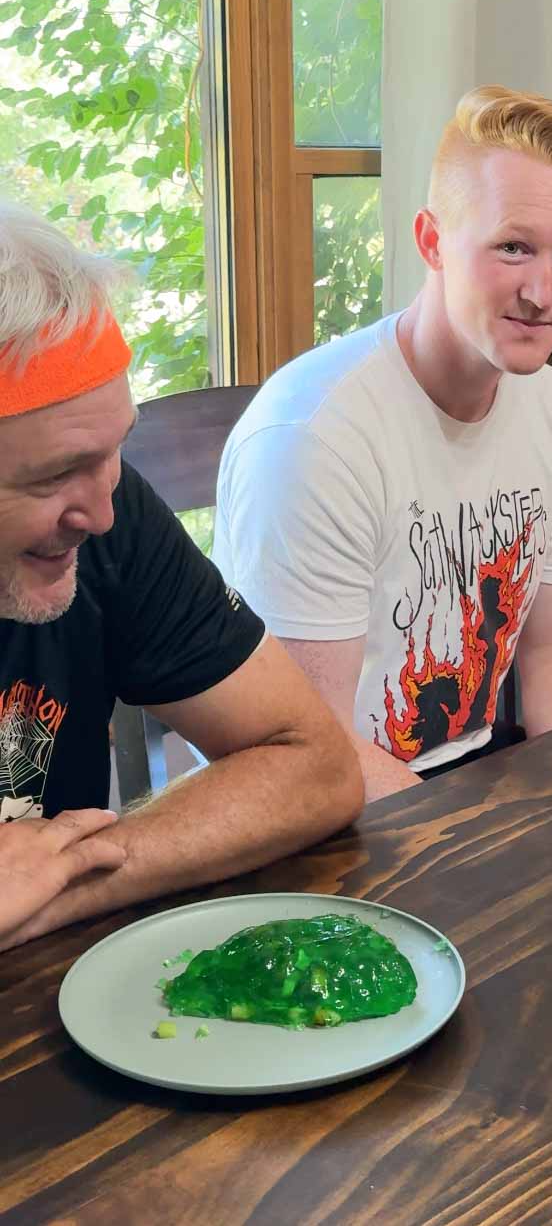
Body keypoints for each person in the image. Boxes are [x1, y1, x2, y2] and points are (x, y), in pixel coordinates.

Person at [214, 86, 552, 797]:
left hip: (471, 781)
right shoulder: (314, 440)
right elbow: (309, 749)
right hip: (314, 810)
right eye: (512, 247)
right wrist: (459, 851)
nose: (542, 291)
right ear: (430, 240)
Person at [0, 203, 363, 949]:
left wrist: (68, 878)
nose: (102, 514)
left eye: (113, 453)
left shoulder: (111, 509)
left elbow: (316, 765)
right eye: (55, 476)